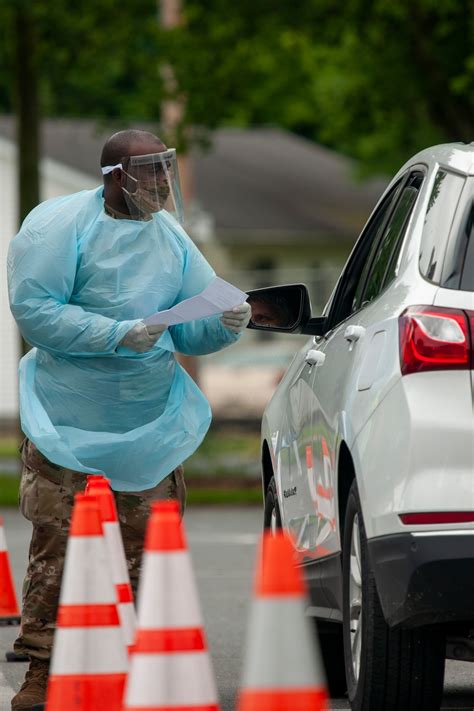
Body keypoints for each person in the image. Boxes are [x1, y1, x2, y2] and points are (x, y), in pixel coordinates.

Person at [7, 129, 251, 711]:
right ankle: (42, 668)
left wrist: (226, 322)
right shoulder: (60, 227)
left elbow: (189, 324)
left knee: (150, 549)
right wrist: (118, 332)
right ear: (116, 176)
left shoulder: (170, 237)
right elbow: (36, 311)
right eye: (152, 171)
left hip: (146, 421)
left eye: (167, 169)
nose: (164, 183)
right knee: (58, 546)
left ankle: (143, 663)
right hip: (69, 415)